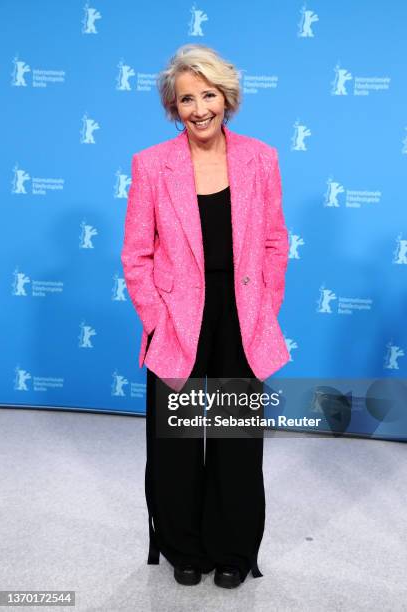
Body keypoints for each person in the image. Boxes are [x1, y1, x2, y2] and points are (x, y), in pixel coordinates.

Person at [121, 43, 289, 589]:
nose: (199, 109)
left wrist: (265, 306)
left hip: (242, 315)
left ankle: (233, 550)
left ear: (227, 98)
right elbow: (136, 254)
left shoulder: (261, 158)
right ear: (174, 108)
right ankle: (183, 548)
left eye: (208, 95)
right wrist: (155, 316)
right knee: (177, 443)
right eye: (186, 99)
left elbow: (273, 240)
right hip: (177, 318)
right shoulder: (151, 165)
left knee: (236, 443)